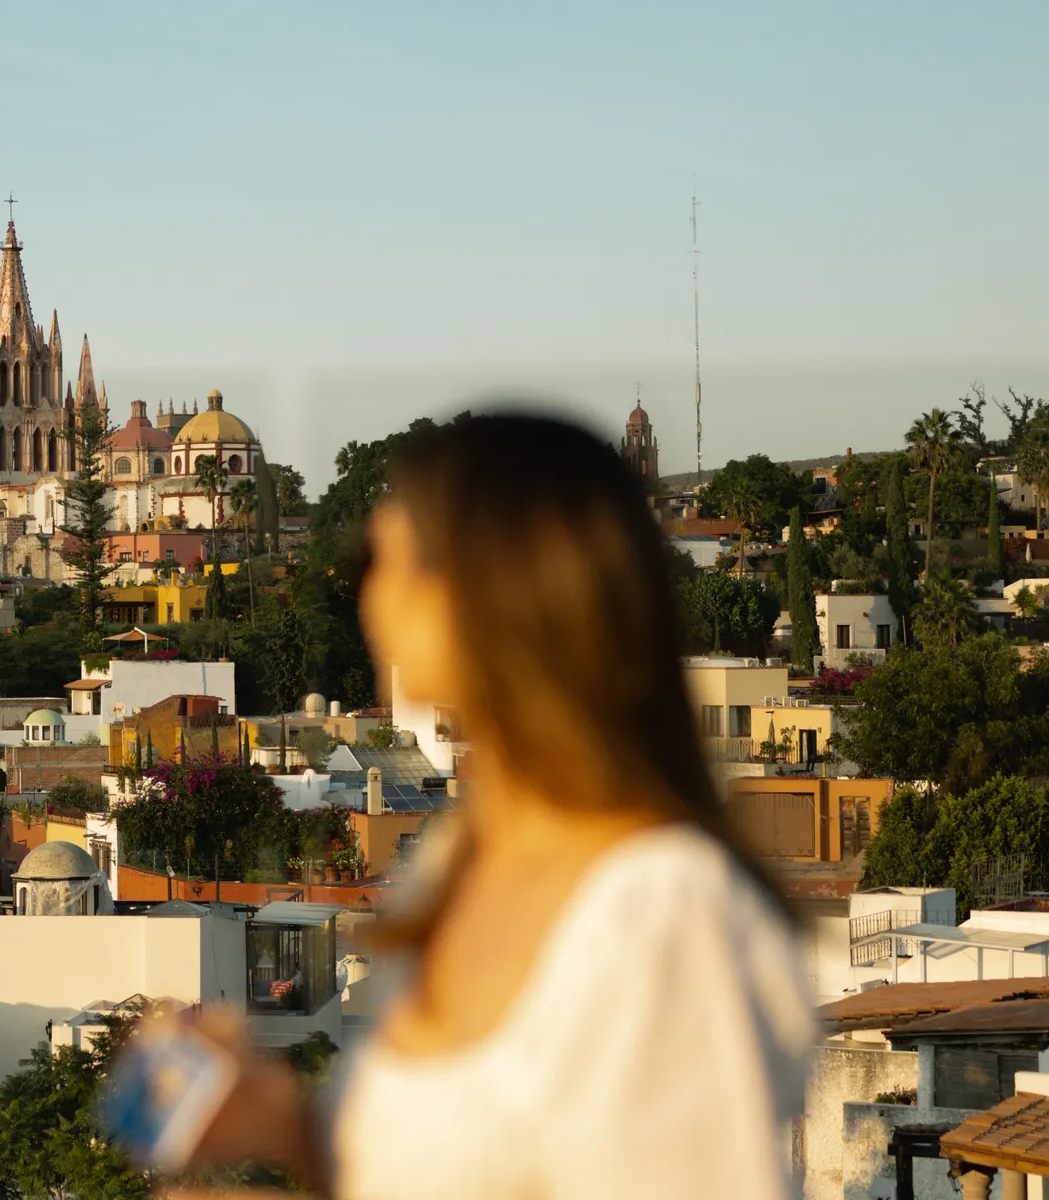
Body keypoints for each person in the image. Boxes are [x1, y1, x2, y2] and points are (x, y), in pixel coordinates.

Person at [168, 414, 818, 1198]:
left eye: (389, 559)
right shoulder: (460, 864)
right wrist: (287, 1131)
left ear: (493, 591)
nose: (366, 591)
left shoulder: (664, 915)